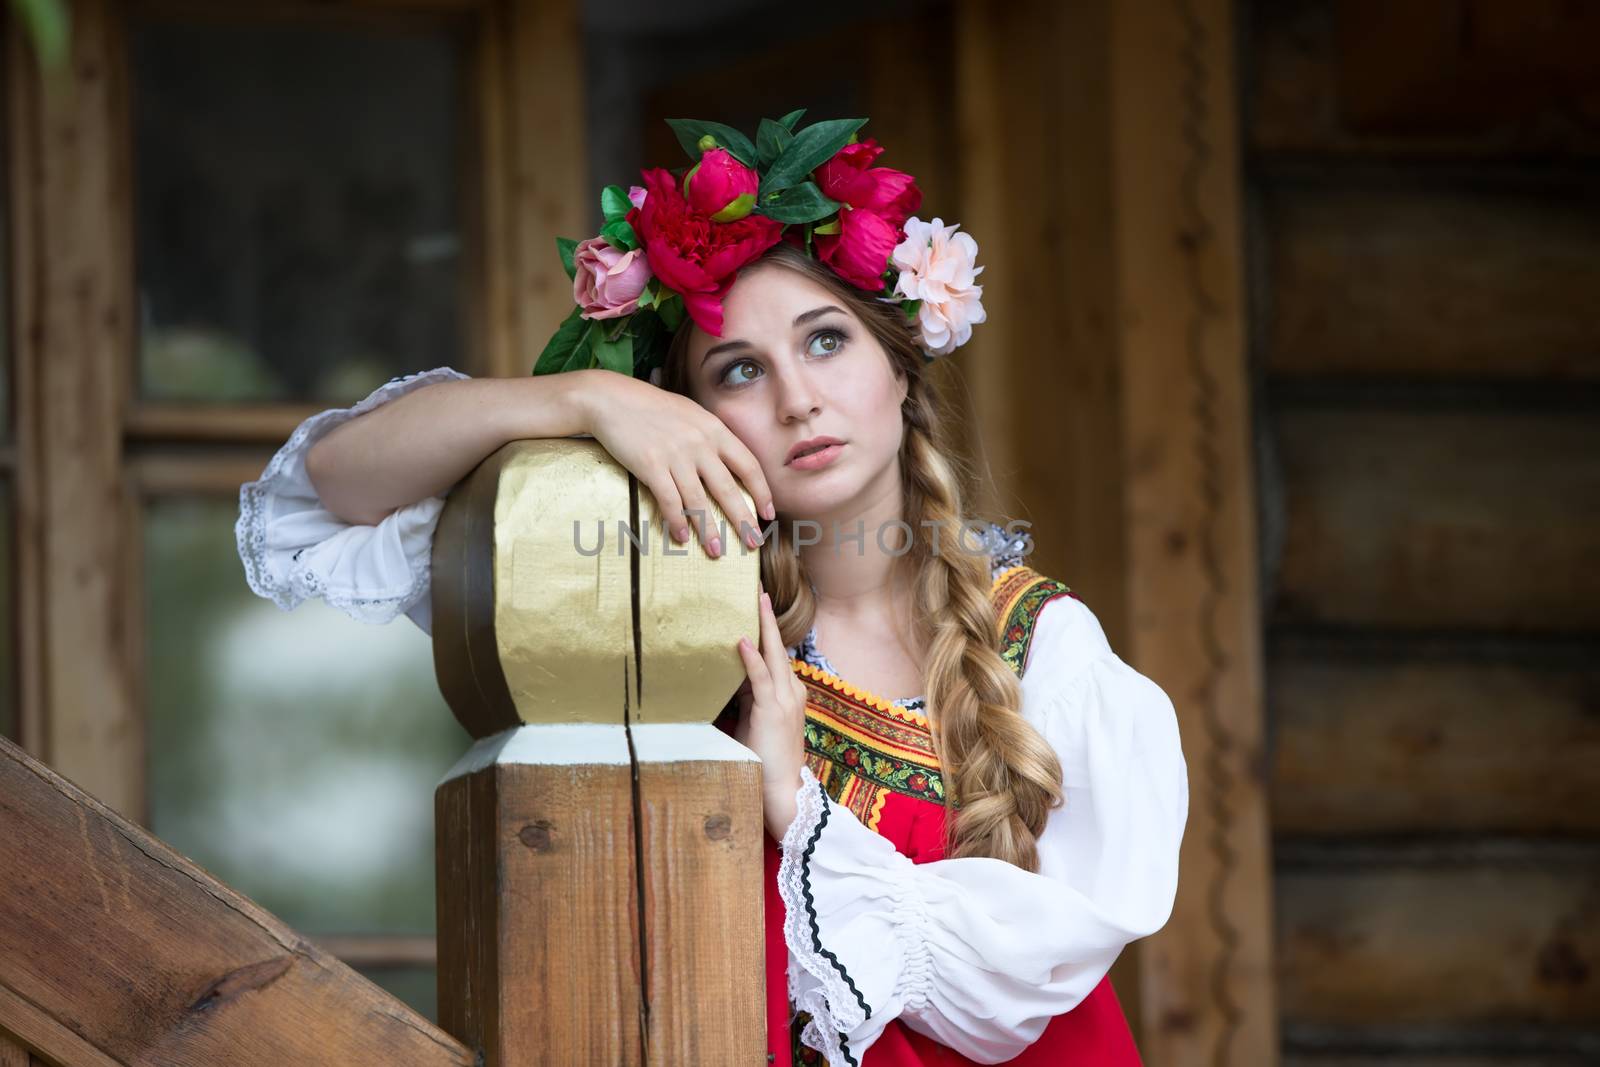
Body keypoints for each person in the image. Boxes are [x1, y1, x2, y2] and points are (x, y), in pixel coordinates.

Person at [235, 112, 1188, 1066]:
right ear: (690, 420)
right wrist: (587, 399)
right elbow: (333, 489)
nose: (797, 400)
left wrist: (790, 802)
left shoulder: (1043, 648)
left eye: (826, 342)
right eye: (741, 371)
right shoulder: (667, 615)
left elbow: (1026, 977)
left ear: (900, 365)